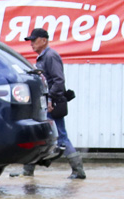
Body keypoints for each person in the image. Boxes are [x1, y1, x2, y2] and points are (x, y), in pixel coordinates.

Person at [16, 28, 86, 180]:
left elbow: (58, 80)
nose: (31, 44)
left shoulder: (50, 56)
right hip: (45, 104)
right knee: (36, 135)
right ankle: (28, 170)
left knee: (61, 136)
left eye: (34, 41)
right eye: (30, 41)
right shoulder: (43, 57)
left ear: (44, 40)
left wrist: (50, 100)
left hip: (51, 105)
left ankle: (78, 170)